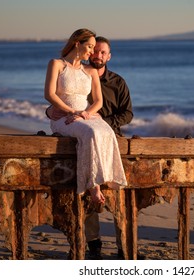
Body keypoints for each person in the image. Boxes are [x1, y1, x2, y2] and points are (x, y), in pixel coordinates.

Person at [44, 29, 127, 243]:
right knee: (90, 133)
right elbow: (49, 94)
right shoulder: (56, 64)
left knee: (105, 131)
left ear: (108, 56)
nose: (92, 52)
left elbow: (98, 101)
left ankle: (111, 176)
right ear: (77, 43)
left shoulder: (92, 72)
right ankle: (93, 186)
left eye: (97, 50)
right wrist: (70, 112)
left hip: (85, 115)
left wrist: (86, 113)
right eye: (90, 47)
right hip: (65, 118)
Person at [84, 36, 133, 259]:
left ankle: (123, 247)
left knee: (117, 193)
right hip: (86, 141)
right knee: (87, 190)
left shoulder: (118, 82)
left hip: (113, 141)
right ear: (89, 52)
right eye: (96, 51)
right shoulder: (80, 77)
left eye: (103, 53)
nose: (99, 56)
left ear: (109, 56)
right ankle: (93, 245)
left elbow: (128, 113)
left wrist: (105, 123)